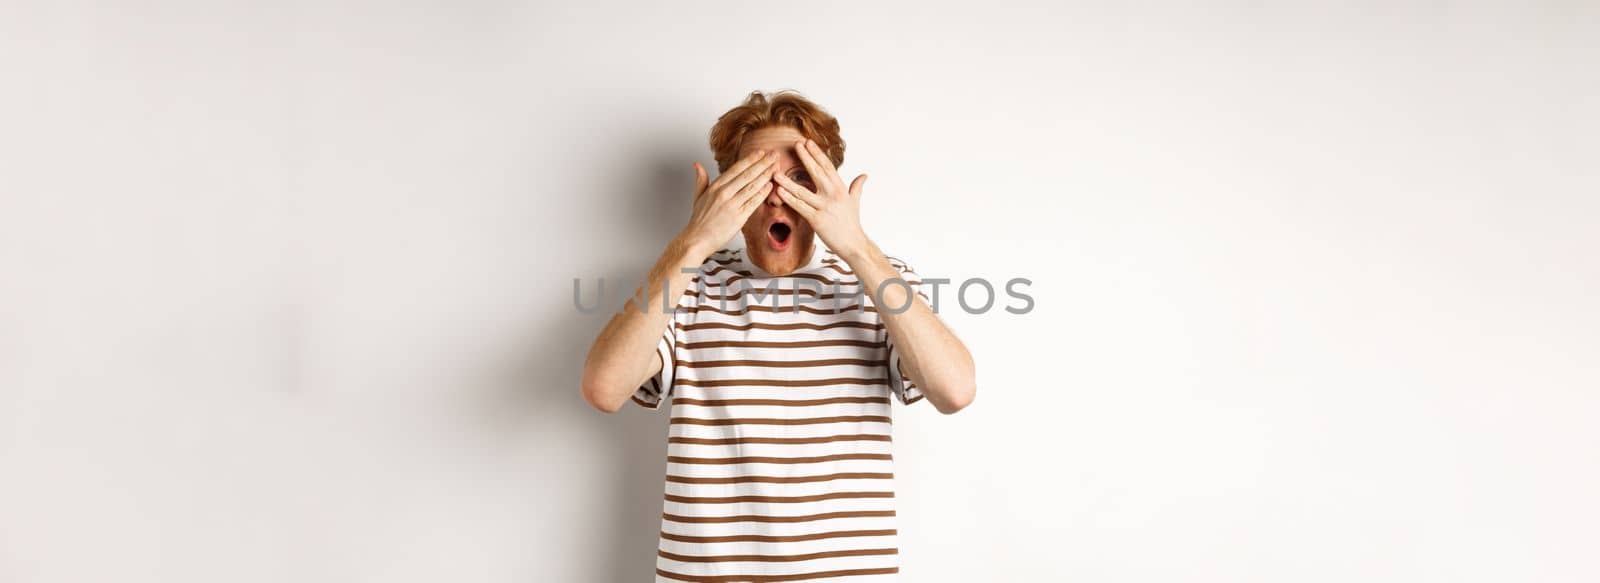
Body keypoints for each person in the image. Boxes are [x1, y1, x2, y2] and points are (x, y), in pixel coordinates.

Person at [580, 90, 976, 582]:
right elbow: (604, 388)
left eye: (800, 178)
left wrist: (855, 246)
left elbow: (955, 390)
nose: (776, 196)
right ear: (725, 190)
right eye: (755, 178)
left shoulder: (881, 282)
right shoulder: (685, 284)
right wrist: (693, 243)